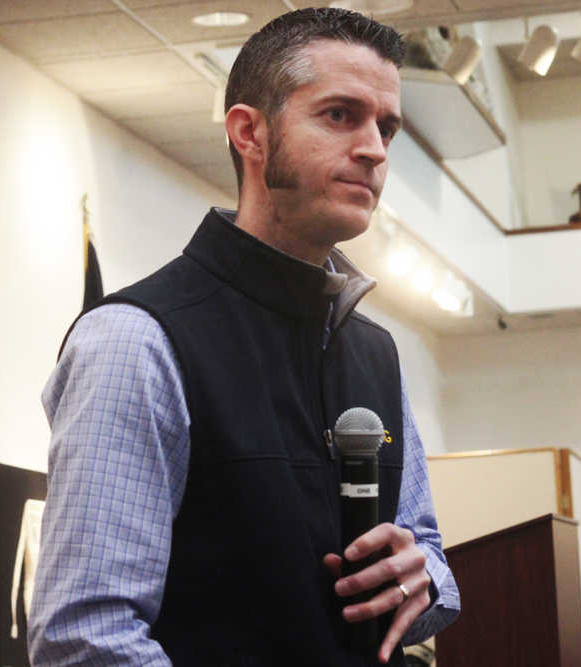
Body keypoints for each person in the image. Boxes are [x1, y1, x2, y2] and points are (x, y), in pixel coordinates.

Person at [28, 7, 459, 666]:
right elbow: (87, 637)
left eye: (386, 126)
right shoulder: (136, 341)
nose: (374, 147)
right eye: (340, 115)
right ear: (249, 133)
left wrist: (420, 576)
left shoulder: (376, 352)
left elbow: (429, 560)